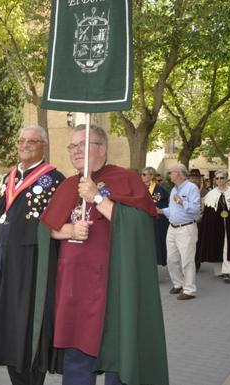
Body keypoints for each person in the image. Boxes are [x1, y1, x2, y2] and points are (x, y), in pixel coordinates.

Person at [39, 125, 168, 385]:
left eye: (81, 145)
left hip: (113, 286)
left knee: (118, 357)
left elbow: (139, 226)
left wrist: (97, 198)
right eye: (72, 146)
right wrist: (69, 230)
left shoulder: (125, 179)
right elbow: (47, 231)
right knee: (76, 358)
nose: (75, 151)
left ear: (102, 148)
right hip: (74, 287)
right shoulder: (67, 186)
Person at [0, 125, 65, 385]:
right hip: (3, 266)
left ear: (43, 147)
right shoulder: (8, 178)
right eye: (21, 141)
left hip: (31, 269)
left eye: (32, 141)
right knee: (7, 329)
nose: (24, 145)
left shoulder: (54, 179)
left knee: (28, 331)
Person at [159, 164, 201, 300]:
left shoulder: (191, 188)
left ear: (178, 174)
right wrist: (160, 211)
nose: (169, 174)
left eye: (171, 172)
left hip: (186, 228)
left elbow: (196, 209)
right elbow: (172, 210)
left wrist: (183, 202)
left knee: (187, 260)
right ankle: (178, 283)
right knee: (171, 259)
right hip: (172, 227)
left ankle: (189, 290)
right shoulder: (173, 190)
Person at [196, 171, 230, 282]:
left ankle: (227, 271)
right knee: (217, 245)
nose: (219, 180)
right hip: (216, 225)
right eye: (217, 178)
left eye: (222, 178)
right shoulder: (211, 194)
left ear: (226, 179)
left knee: (229, 245)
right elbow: (207, 213)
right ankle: (219, 270)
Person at [142, 166, 170, 265]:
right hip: (143, 221)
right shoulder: (139, 188)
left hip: (157, 222)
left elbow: (168, 203)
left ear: (151, 176)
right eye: (142, 174)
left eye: (144, 174)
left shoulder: (160, 189)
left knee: (155, 245)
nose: (142, 176)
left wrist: (160, 209)